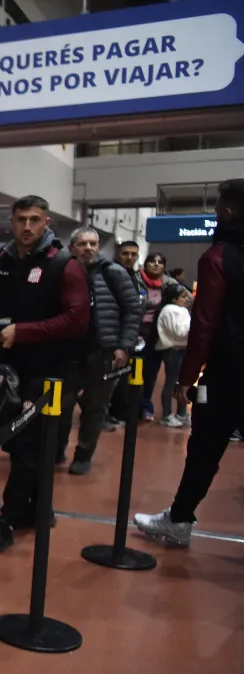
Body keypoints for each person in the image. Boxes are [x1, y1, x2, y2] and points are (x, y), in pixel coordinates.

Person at [0, 195, 89, 552]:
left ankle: (10, 516)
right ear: (11, 221)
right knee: (23, 443)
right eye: (21, 219)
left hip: (51, 371)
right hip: (10, 369)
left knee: (26, 444)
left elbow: (76, 320)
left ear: (46, 222)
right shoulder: (5, 261)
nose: (27, 226)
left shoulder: (64, 265)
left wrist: (24, 331)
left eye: (34, 219)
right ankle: (38, 506)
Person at [135, 179, 244, 545]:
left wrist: (186, 378)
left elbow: (205, 325)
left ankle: (179, 521)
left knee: (205, 446)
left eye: (216, 210)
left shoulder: (217, 258)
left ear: (227, 212)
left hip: (226, 374)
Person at [57, 227, 140, 475]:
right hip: (69, 351)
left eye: (93, 244)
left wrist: (123, 346)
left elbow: (132, 311)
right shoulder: (62, 272)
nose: (89, 248)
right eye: (83, 244)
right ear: (72, 248)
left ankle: (83, 454)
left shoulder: (113, 273)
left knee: (95, 406)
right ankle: (56, 448)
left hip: (102, 350)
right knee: (61, 404)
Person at [105, 239, 146, 429]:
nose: (129, 257)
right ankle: (100, 416)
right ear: (117, 254)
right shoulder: (108, 275)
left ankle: (110, 412)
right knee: (104, 381)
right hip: (110, 336)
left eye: (133, 254)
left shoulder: (136, 278)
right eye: (125, 253)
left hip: (128, 336)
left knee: (117, 381)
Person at [137, 251, 179, 421]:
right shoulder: (135, 280)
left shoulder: (169, 283)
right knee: (130, 373)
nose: (156, 264)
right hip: (137, 331)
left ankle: (145, 406)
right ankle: (127, 406)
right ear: (145, 264)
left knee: (150, 372)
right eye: (152, 261)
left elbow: (187, 297)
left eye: (160, 262)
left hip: (156, 333)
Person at [154, 282, 193, 427]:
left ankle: (182, 413)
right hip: (172, 350)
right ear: (174, 299)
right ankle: (166, 414)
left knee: (182, 383)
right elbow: (179, 332)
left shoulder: (182, 310)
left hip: (182, 350)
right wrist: (193, 325)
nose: (187, 299)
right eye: (183, 297)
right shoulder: (170, 310)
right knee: (171, 383)